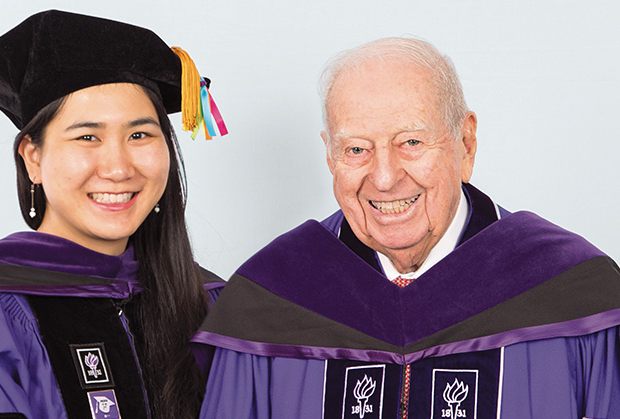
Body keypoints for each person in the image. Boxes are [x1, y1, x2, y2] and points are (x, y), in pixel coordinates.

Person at [193, 38, 620, 419]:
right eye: (357, 149)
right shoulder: (269, 299)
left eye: (411, 142)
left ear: (465, 144)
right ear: (329, 156)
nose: (383, 177)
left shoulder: (575, 295)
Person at [0, 10, 227, 419]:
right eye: (88, 137)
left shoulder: (209, 304)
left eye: (139, 135)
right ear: (33, 158)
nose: (118, 168)